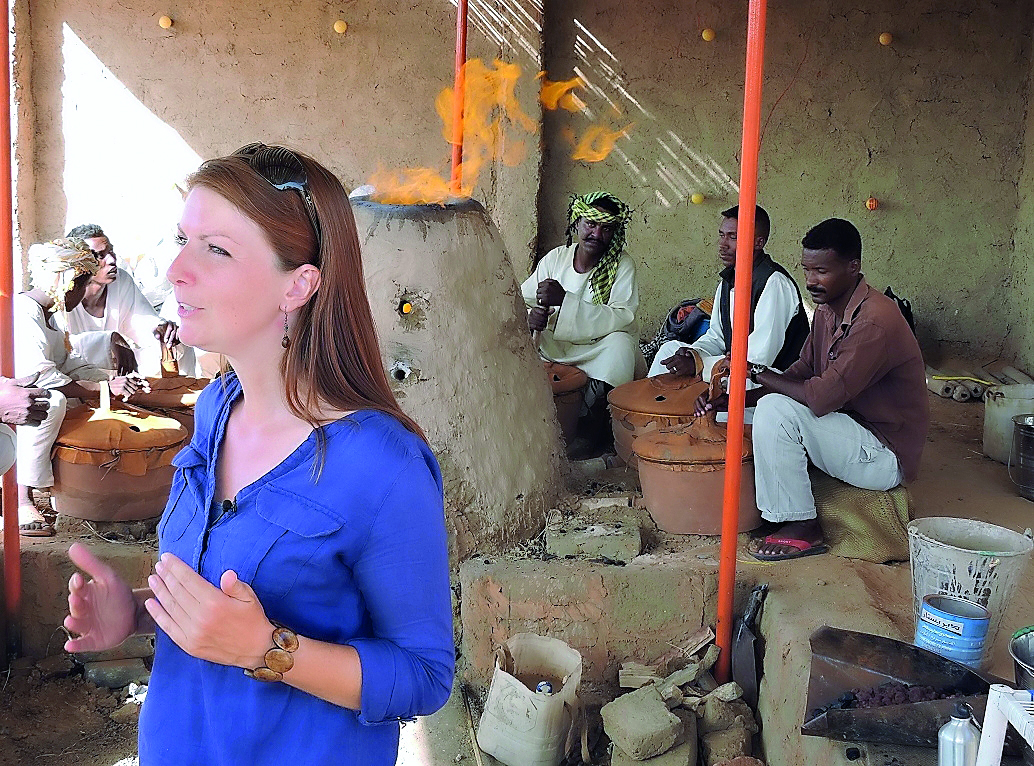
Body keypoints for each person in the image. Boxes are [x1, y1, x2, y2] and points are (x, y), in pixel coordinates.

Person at [63, 143, 454, 764]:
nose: (176, 270)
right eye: (183, 240)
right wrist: (138, 614)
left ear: (298, 285)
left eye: (216, 249)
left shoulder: (384, 465)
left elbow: (424, 675)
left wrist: (268, 650)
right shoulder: (216, 409)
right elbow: (217, 603)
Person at [712, 218, 928, 561]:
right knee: (769, 405)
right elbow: (801, 372)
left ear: (853, 266)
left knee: (776, 412)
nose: (811, 280)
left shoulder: (874, 321)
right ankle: (785, 514)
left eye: (821, 271)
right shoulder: (828, 310)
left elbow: (821, 397)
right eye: (807, 270)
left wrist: (755, 372)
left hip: (884, 453)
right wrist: (733, 399)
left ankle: (802, 526)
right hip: (850, 429)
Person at [15, 238, 150, 535]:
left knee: (74, 395)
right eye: (84, 285)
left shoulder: (51, 313)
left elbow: (68, 363)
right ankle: (20, 498)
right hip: (12, 399)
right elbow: (42, 378)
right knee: (49, 403)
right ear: (67, 283)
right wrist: (104, 389)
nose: (84, 293)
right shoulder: (24, 312)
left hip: (40, 383)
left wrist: (109, 381)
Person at [650, 205, 809, 422]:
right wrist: (692, 354)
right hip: (731, 367)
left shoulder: (774, 283)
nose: (723, 245)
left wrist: (700, 366)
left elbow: (758, 359)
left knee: (738, 383)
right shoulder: (728, 281)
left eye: (733, 237)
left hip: (769, 382)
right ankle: (651, 419)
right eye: (722, 235)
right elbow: (716, 336)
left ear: (759, 243)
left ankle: (682, 423)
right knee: (669, 349)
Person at [522, 191, 643, 455]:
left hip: (596, 347)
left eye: (606, 228)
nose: (596, 234)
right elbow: (522, 299)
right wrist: (531, 316)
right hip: (555, 344)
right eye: (591, 224)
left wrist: (566, 301)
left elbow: (622, 315)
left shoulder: (622, 265)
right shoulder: (556, 258)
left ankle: (592, 432)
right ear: (577, 223)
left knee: (621, 345)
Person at [63, 224, 196, 377]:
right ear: (79, 263)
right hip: (77, 369)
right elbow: (63, 349)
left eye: (111, 251)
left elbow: (143, 324)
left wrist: (161, 329)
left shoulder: (121, 280)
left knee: (176, 342)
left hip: (120, 365)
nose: (112, 260)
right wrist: (108, 341)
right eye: (100, 255)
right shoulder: (61, 291)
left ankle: (185, 389)